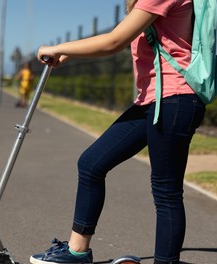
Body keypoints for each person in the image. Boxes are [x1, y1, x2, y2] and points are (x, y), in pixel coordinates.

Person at [31, 0, 205, 263]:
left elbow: (115, 41)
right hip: (151, 101)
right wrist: (69, 53)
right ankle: (77, 252)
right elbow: (122, 37)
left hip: (174, 100)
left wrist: (57, 48)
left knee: (166, 190)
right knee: (91, 163)